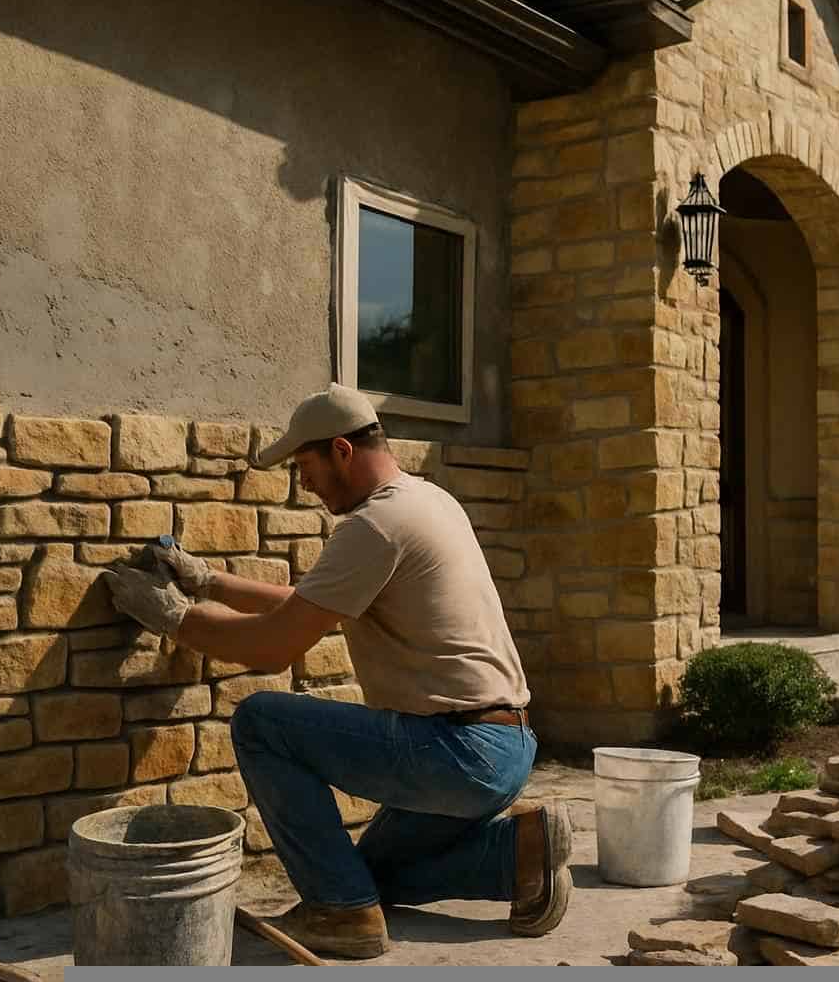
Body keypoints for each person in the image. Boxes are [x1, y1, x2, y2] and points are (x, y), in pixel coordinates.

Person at [104, 384, 571, 960]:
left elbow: (276, 647)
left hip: (456, 751)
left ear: (342, 451)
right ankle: (518, 854)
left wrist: (176, 617)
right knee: (362, 873)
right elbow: (309, 604)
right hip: (504, 747)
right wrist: (207, 582)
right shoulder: (427, 499)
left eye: (305, 465)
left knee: (261, 723)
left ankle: (340, 916)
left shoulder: (375, 526)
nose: (304, 482)